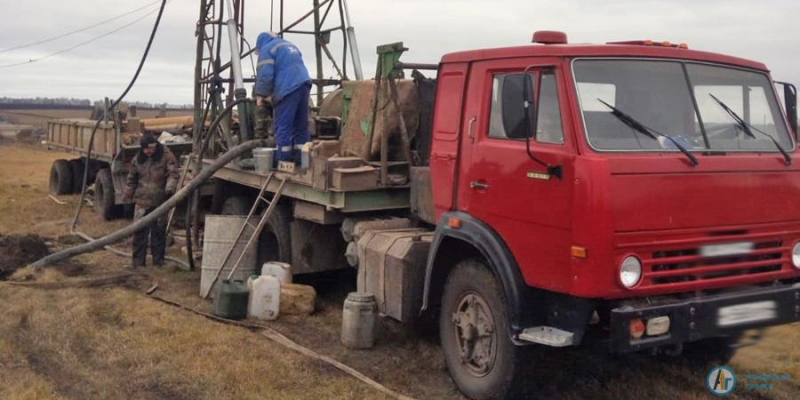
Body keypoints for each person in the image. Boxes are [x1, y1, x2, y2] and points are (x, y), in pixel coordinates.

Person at [254, 31, 312, 163]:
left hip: (288, 88)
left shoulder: (267, 49)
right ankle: (301, 160)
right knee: (300, 125)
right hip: (304, 84)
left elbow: (265, 75)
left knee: (283, 125)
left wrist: (261, 95)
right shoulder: (289, 45)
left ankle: (283, 160)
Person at [123, 133, 179, 268]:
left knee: (158, 233)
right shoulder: (138, 159)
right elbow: (132, 180)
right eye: (146, 149)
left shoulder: (167, 156)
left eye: (151, 149)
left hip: (160, 202)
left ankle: (158, 262)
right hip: (142, 202)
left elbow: (173, 174)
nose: (149, 152)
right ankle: (138, 263)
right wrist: (127, 195)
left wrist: (170, 188)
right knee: (139, 233)